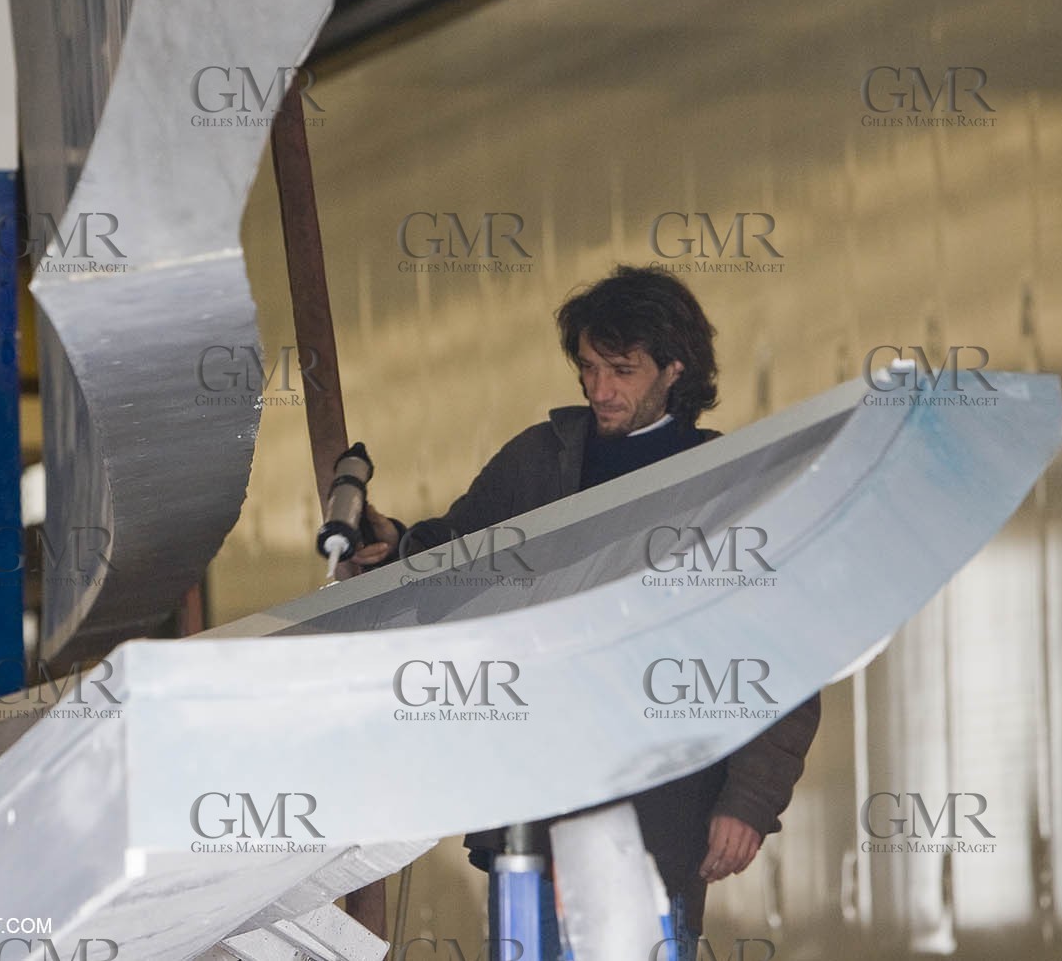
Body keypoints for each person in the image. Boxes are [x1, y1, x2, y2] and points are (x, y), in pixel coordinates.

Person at [349, 264, 821, 947]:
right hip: (530, 801)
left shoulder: (731, 488)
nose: (600, 388)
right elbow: (455, 559)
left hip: (660, 808)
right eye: (589, 367)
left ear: (674, 369)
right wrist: (396, 549)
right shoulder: (539, 461)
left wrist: (748, 801)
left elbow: (784, 651)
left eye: (621, 370)